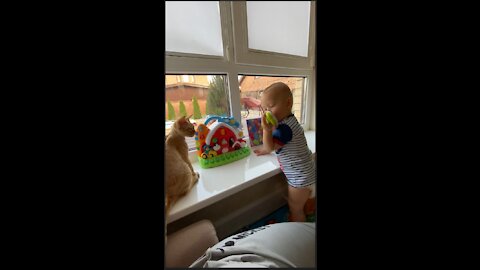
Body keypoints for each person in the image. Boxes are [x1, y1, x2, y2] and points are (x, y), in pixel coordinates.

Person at [254, 82, 316, 222]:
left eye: (270, 107)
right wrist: (265, 148)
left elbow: (270, 147)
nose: (267, 113)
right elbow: (273, 146)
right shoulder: (291, 121)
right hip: (310, 172)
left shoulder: (284, 129)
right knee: (307, 201)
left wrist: (266, 129)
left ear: (288, 103)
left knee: (295, 208)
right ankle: (309, 211)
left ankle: (298, 228)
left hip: (299, 181)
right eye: (264, 109)